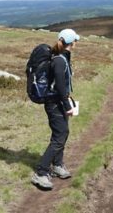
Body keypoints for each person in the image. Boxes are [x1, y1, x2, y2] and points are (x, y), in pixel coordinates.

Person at [31, 28, 80, 190]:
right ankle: (41, 172)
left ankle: (58, 165)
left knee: (61, 133)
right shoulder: (59, 60)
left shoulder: (62, 57)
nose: (76, 43)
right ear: (72, 42)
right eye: (75, 41)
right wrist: (67, 106)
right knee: (60, 135)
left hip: (58, 101)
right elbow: (59, 86)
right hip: (54, 103)